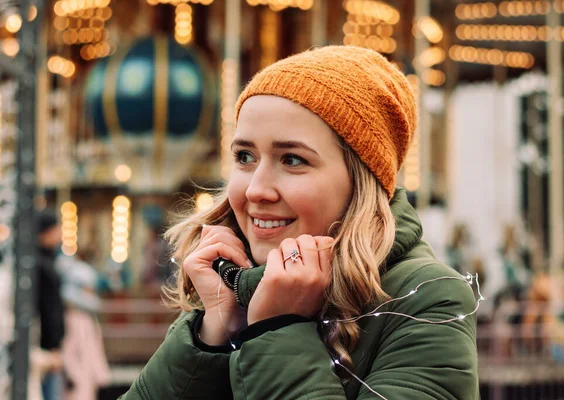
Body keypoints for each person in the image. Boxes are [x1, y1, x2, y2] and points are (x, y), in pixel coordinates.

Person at [119, 46, 479, 399]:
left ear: (361, 180)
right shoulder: (232, 288)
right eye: (245, 157)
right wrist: (213, 333)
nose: (256, 189)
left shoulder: (428, 297)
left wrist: (278, 328)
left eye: (292, 159)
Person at [56, 251, 111, 400]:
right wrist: (75, 376)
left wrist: (100, 374)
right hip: (77, 381)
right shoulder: (74, 318)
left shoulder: (87, 318)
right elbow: (69, 351)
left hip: (86, 378)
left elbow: (94, 349)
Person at [35, 210, 65, 400]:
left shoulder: (42, 261)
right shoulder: (43, 266)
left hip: (43, 346)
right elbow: (48, 309)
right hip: (45, 349)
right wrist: (53, 346)